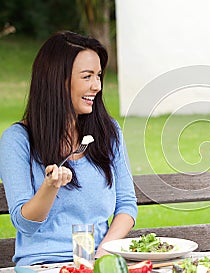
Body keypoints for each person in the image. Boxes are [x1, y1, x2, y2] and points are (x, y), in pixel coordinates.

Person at [0, 31, 138, 266]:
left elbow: (126, 205)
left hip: (97, 261)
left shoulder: (108, 131)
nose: (97, 86)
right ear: (57, 80)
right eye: (87, 77)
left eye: (99, 76)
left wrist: (100, 256)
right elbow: (25, 224)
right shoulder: (18, 140)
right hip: (43, 264)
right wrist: (49, 187)